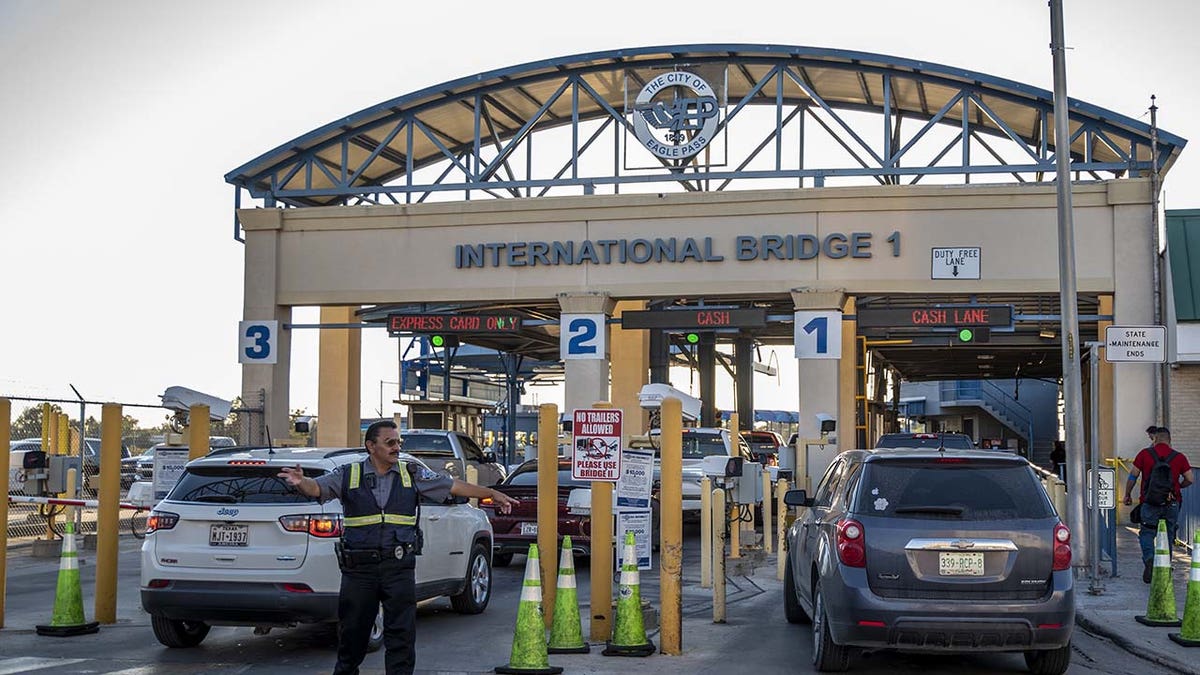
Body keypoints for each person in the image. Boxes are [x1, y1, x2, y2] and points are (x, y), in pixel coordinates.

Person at [278, 420, 518, 675]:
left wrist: (491, 493)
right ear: (371, 446)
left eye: (398, 442)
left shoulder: (412, 473)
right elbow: (317, 488)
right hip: (360, 571)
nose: (396, 448)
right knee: (353, 635)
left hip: (399, 568)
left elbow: (453, 486)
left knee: (401, 637)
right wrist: (300, 482)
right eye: (390, 442)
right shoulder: (348, 474)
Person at [1123, 426, 1194, 583]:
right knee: (1168, 534)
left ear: (1155, 439)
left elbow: (1133, 476)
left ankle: (1149, 559)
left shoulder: (1144, 454)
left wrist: (1127, 494)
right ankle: (1164, 566)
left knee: (1147, 533)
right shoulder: (1179, 457)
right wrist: (1178, 487)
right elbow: (1190, 478)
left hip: (1149, 502)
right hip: (1172, 502)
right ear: (1169, 440)